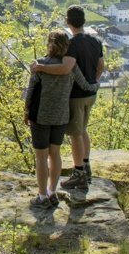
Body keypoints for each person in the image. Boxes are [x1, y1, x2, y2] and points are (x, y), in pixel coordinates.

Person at [31, 5, 104, 189]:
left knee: (75, 133)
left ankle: (79, 172)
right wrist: (94, 82)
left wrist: (40, 67)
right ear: (84, 21)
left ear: (67, 21)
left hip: (77, 96)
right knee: (83, 130)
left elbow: (66, 68)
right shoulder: (95, 41)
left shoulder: (72, 45)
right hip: (90, 93)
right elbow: (101, 65)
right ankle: (86, 165)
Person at [24, 29, 95, 208]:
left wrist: (26, 111)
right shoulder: (71, 67)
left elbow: (31, 91)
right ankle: (52, 192)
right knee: (54, 154)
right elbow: (85, 85)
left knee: (41, 157)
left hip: (40, 115)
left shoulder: (40, 64)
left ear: (50, 44)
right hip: (62, 116)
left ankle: (41, 197)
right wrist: (97, 83)